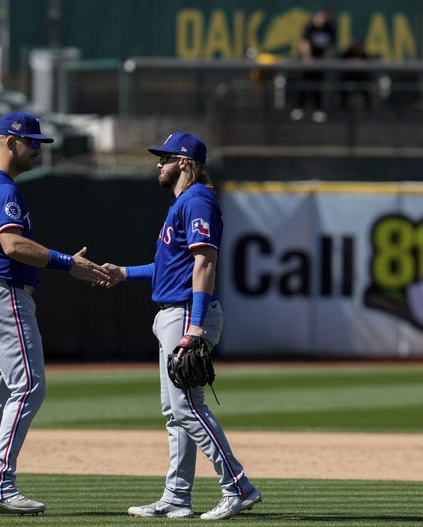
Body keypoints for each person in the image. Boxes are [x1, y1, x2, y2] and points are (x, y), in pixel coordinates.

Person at [100, 133, 262, 521]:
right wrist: (124, 273)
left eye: (166, 158)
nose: (159, 164)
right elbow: (171, 267)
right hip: (174, 310)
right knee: (174, 410)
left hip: (188, 312)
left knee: (188, 406)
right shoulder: (183, 204)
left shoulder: (198, 200)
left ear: (185, 163)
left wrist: (196, 327)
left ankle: (238, 486)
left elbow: (205, 263)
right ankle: (176, 496)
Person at [0, 111, 109, 515]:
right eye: (32, 143)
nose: (38, 151)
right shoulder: (1, 189)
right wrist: (68, 264)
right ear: (9, 141)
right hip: (2, 293)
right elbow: (13, 246)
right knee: (28, 387)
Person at [291, 7, 335, 123]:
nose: (323, 21)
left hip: (319, 62)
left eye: (325, 19)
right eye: (321, 18)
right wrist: (307, 60)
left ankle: (318, 109)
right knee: (303, 83)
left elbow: (328, 46)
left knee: (318, 85)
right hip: (306, 62)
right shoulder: (309, 26)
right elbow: (304, 44)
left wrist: (326, 60)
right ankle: (298, 108)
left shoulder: (329, 28)